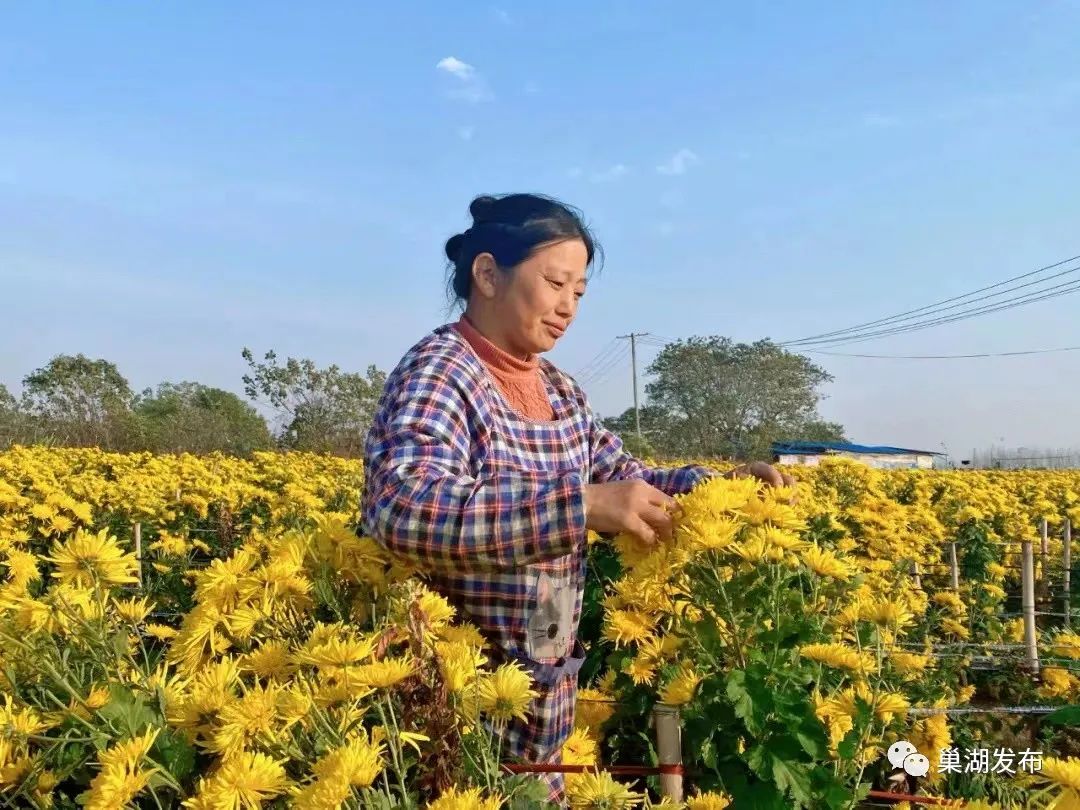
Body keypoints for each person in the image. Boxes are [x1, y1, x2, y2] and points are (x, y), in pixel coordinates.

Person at [360, 193, 790, 803]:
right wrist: (579, 508)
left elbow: (626, 478)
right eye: (555, 283)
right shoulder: (440, 372)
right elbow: (405, 510)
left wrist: (723, 485)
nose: (568, 308)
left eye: (580, 293)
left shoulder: (558, 389)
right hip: (452, 715)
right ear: (487, 275)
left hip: (543, 707)